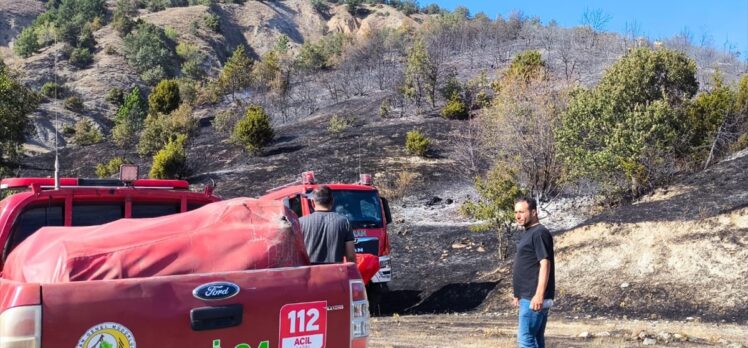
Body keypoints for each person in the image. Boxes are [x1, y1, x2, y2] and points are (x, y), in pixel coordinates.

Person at [512, 196, 555, 348]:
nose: (518, 216)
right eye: (516, 212)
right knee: (536, 339)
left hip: (533, 297)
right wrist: (518, 293)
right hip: (527, 296)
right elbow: (528, 265)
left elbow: (545, 264)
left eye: (522, 212)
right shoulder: (530, 233)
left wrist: (539, 295)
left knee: (525, 339)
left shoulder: (539, 233)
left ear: (534, 212)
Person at [299, 185, 356, 263]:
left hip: (311, 273)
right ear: (332, 201)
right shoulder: (344, 222)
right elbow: (351, 256)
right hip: (336, 272)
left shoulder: (300, 222)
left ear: (312, 203)